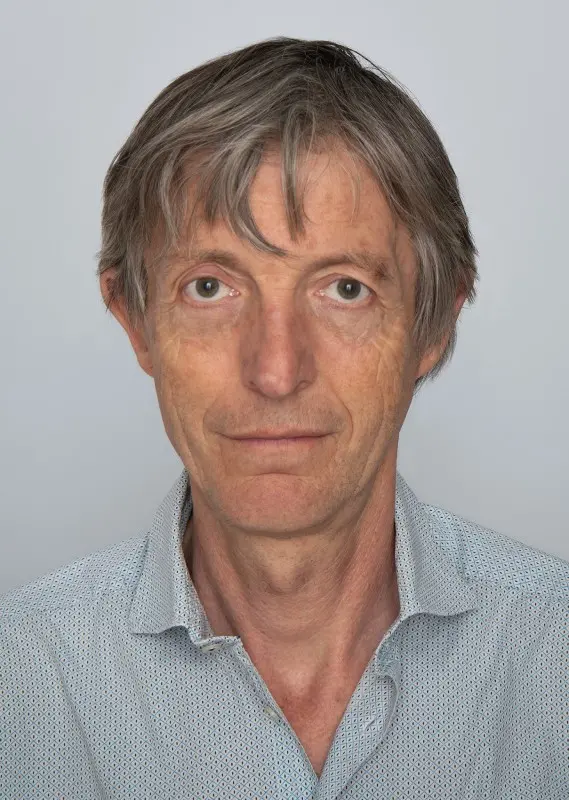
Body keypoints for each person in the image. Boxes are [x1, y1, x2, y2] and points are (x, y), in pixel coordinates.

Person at [1, 37, 567, 800]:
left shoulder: (553, 656)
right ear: (134, 321)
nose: (274, 371)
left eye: (343, 289)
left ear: (432, 325)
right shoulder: (21, 677)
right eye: (209, 288)